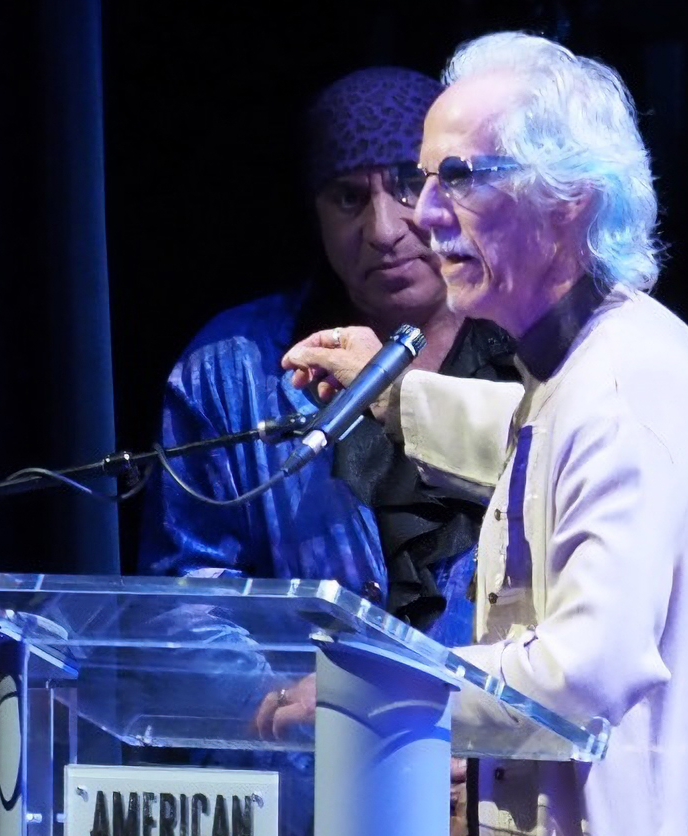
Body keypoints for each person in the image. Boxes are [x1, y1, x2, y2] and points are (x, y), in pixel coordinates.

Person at [279, 31, 688, 836]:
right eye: (425, 179)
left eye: (457, 179)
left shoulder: (625, 382)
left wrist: (372, 690)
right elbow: (536, 451)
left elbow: (586, 668)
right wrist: (393, 393)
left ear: (567, 199)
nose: (425, 216)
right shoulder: (583, 364)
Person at [135, 65, 518, 836]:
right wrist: (286, 707)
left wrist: (479, 722)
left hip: (497, 793)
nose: (383, 228)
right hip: (310, 800)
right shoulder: (233, 370)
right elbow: (187, 598)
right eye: (348, 197)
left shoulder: (530, 354)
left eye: (407, 184)